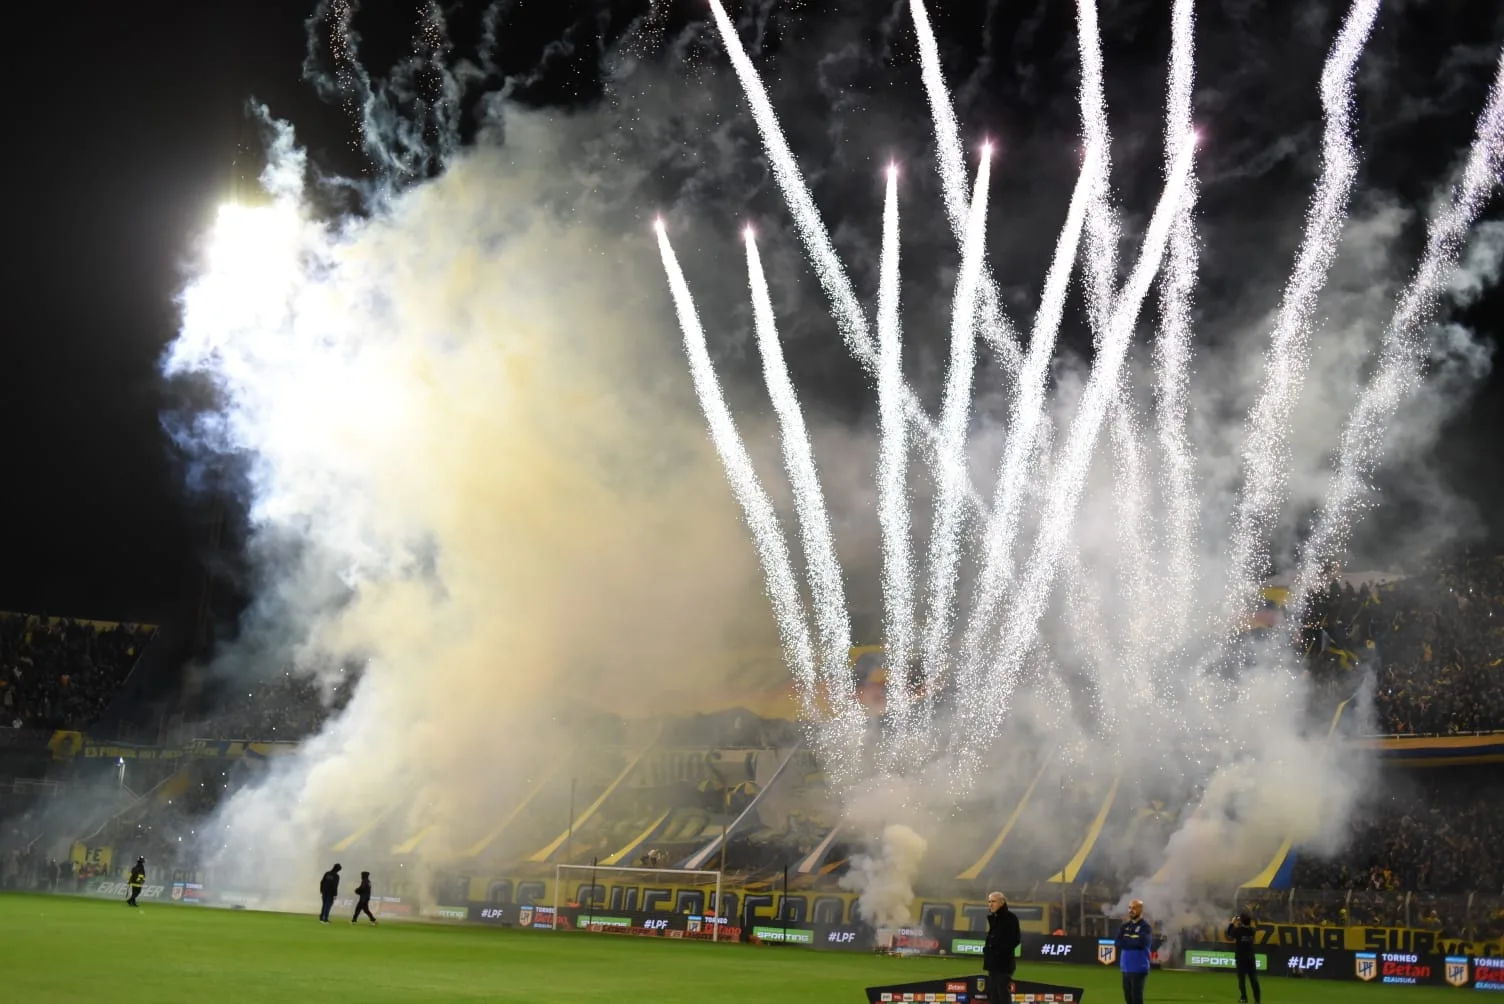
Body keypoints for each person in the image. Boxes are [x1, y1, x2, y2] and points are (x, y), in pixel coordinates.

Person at [983, 891, 1021, 999]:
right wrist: (987, 951)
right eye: (989, 901)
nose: (990, 904)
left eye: (993, 901)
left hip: (1003, 964)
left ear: (1002, 902)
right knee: (994, 995)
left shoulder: (1010, 918)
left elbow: (1015, 940)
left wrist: (999, 953)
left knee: (1003, 995)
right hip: (993, 964)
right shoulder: (995, 918)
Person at [1116, 899, 1152, 1004]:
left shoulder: (1145, 927)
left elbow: (1141, 943)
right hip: (1125, 968)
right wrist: (1132, 941)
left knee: (1137, 999)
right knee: (1128, 999)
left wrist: (1126, 942)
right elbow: (1117, 943)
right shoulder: (1124, 926)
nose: (1131, 910)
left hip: (1139, 968)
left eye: (1134, 908)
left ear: (1141, 909)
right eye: (1130, 908)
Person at [1226, 911, 1261, 1003]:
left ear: (1241, 921)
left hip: (1241, 958)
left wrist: (1232, 923)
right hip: (1251, 957)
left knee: (1241, 979)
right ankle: (1257, 1000)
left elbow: (1229, 935)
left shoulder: (1238, 931)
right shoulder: (1252, 930)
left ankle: (1244, 997)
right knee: (1254, 979)